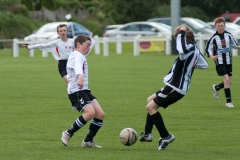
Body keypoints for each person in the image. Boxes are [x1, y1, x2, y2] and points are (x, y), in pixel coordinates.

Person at [139, 25, 208, 151]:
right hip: (174, 86)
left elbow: (181, 51)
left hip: (176, 87)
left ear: (184, 37)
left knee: (150, 107)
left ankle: (166, 136)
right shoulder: (194, 49)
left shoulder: (187, 48)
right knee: (150, 100)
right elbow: (204, 65)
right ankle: (147, 134)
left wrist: (181, 32)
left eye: (177, 38)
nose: (176, 41)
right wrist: (189, 66)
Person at [60, 34, 105, 148]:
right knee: (90, 113)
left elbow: (88, 45)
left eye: (90, 45)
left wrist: (91, 40)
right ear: (78, 44)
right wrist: (80, 77)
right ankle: (68, 133)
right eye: (87, 45)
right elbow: (77, 66)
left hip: (84, 90)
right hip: (77, 91)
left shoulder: (78, 54)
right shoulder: (77, 56)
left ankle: (88, 141)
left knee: (100, 114)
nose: (89, 48)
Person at [22, 24, 76, 109]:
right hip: (62, 65)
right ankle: (74, 103)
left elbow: (82, 48)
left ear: (67, 32)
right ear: (58, 33)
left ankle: (76, 100)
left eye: (64, 30)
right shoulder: (57, 43)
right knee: (69, 83)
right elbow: (43, 46)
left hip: (72, 64)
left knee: (73, 84)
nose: (63, 32)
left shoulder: (72, 42)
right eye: (61, 31)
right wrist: (29, 47)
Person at [205, 17, 240, 108]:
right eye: (218, 26)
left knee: (229, 81)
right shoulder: (213, 38)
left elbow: (234, 44)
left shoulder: (228, 35)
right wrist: (212, 56)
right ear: (215, 27)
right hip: (220, 62)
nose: (220, 27)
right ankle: (229, 102)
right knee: (227, 80)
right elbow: (208, 50)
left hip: (229, 60)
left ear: (224, 26)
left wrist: (238, 47)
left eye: (221, 25)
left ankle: (216, 87)